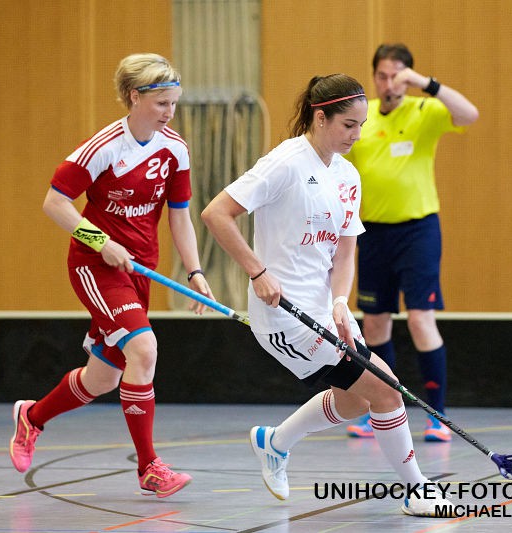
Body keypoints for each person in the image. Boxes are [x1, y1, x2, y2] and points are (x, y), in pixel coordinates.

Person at [201, 73, 452, 517]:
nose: (357, 135)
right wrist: (257, 271)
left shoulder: (348, 174)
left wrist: (340, 301)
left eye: (361, 125)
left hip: (323, 308)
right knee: (388, 391)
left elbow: (345, 251)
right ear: (321, 117)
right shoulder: (285, 163)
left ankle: (274, 442)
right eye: (349, 125)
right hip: (284, 316)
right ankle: (418, 490)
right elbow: (216, 213)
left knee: (356, 401)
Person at [9, 53, 214, 498]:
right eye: (161, 103)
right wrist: (102, 242)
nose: (169, 113)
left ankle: (32, 417)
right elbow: (55, 202)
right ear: (134, 97)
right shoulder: (104, 147)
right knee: (144, 349)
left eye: (174, 103)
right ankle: (150, 468)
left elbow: (180, 216)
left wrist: (195, 271)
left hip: (140, 270)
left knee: (102, 378)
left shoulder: (174, 148)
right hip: (94, 267)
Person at [344, 43, 479, 442]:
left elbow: (469, 114)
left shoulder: (424, 111)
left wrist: (424, 84)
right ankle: (381, 406)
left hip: (418, 231)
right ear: (374, 78)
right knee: (374, 322)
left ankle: (437, 415)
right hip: (373, 232)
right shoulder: (362, 117)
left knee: (421, 317)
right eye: (383, 76)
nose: (390, 84)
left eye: (398, 76)